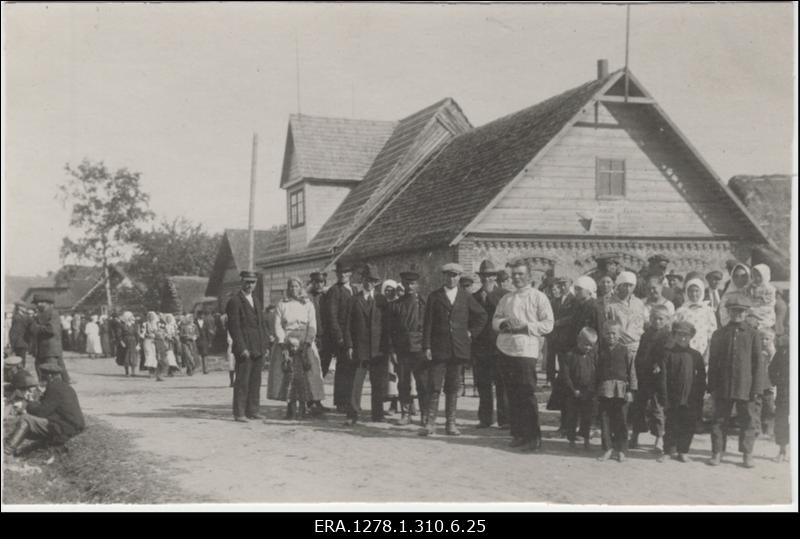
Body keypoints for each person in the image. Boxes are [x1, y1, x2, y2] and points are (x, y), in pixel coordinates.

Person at [421, 262, 488, 437]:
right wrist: (427, 346)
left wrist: (470, 333)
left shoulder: (465, 297)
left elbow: (482, 316)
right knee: (434, 385)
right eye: (449, 275)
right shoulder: (434, 296)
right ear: (444, 277)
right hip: (438, 349)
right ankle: (430, 423)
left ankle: (451, 424)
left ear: (459, 277)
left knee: (452, 387)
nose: (452, 279)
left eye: (455, 275)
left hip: (458, 349)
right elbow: (427, 323)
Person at [492, 259, 552, 450]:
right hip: (505, 348)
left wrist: (526, 326)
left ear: (529, 276)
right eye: (514, 274)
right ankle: (518, 433)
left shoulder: (538, 297)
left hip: (526, 350)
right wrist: (503, 324)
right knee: (512, 393)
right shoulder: (507, 298)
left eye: (520, 274)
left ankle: (533, 437)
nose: (516, 278)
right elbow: (495, 319)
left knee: (526, 393)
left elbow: (548, 324)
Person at [707, 296, 764, 468]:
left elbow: (757, 363)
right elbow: (713, 362)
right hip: (723, 385)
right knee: (719, 419)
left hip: (745, 387)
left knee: (748, 420)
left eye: (741, 311)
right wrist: (712, 386)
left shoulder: (754, 335)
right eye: (734, 310)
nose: (737, 314)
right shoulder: (719, 334)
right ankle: (717, 452)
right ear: (728, 312)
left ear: (746, 313)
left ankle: (747, 454)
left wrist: (756, 388)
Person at [267, 277, 324, 420]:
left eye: (296, 286)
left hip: (305, 343)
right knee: (289, 376)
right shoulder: (282, 304)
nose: (293, 289)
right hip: (287, 343)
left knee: (306, 376)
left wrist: (306, 342)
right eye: (291, 286)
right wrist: (283, 343)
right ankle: (291, 408)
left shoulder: (308, 304)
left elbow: (313, 325)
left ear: (301, 288)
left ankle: (303, 408)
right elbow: (278, 325)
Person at [4, 363, 85, 457]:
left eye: (43, 375)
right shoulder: (63, 386)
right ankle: (10, 447)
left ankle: (6, 451)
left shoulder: (54, 388)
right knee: (25, 423)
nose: (41, 377)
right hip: (69, 425)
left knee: (25, 419)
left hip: (66, 427)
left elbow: (42, 412)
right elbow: (47, 408)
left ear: (50, 376)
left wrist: (28, 404)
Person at [344, 264, 388, 424]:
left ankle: (378, 414)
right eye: (367, 280)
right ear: (362, 280)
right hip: (359, 348)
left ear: (376, 283)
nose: (369, 283)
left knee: (378, 383)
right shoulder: (353, 300)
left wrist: (386, 347)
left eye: (373, 281)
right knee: (356, 383)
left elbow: (387, 325)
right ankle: (352, 414)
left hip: (378, 349)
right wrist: (349, 346)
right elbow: (347, 325)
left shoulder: (382, 300)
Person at [657, 321, 706, 463]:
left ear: (691, 337)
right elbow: (663, 377)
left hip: (690, 398)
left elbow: (701, 378)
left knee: (688, 424)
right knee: (671, 423)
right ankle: (668, 451)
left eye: (686, 335)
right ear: (674, 335)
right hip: (673, 397)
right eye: (679, 335)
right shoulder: (668, 354)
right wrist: (664, 397)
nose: (683, 338)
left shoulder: (695, 356)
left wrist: (698, 397)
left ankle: (683, 451)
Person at [386, 270, 428, 426]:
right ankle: (405, 413)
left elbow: (429, 327)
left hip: (420, 349)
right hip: (402, 349)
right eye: (407, 283)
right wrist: (392, 351)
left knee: (423, 383)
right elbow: (390, 330)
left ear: (417, 285)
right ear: (402, 284)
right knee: (403, 383)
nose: (410, 287)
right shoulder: (396, 305)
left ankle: (425, 414)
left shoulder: (424, 303)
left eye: (412, 284)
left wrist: (428, 347)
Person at [226, 270, 268, 422]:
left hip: (258, 347)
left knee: (255, 381)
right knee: (242, 381)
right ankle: (240, 413)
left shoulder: (256, 300)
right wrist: (242, 347)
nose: (250, 285)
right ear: (241, 282)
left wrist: (265, 346)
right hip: (245, 348)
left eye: (253, 282)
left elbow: (261, 325)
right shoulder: (235, 301)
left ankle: (253, 410)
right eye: (247, 282)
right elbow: (234, 327)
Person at [471, 260, 508, 429]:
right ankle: (485, 418)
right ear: (480, 277)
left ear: (495, 277)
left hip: (501, 347)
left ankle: (505, 419)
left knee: (502, 384)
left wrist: (490, 296)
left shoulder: (505, 295)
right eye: (484, 276)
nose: (487, 279)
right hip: (481, 348)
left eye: (491, 276)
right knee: (483, 384)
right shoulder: (473, 297)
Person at [629, 304, 671, 453]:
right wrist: (638, 366)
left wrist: (659, 365)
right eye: (654, 318)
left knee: (656, 407)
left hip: (658, 377)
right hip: (644, 375)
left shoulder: (667, 336)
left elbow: (666, 356)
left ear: (666, 320)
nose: (657, 321)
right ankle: (635, 434)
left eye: (660, 319)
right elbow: (640, 353)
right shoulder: (646, 334)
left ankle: (659, 437)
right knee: (638, 406)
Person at [596, 320, 637, 462]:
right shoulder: (600, 351)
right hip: (604, 390)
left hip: (621, 390)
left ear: (619, 334)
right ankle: (607, 448)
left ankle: (622, 449)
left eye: (614, 333)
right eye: (608, 333)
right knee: (605, 419)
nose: (611, 336)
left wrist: (631, 390)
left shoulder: (626, 350)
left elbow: (632, 371)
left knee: (621, 420)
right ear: (603, 334)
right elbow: (596, 372)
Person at [561, 327, 598, 450]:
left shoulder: (592, 356)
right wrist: (573, 389)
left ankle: (586, 439)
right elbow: (565, 376)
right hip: (573, 392)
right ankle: (571, 440)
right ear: (578, 341)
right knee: (572, 416)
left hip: (588, 391)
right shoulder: (570, 355)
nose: (588, 348)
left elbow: (595, 374)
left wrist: (592, 389)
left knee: (587, 417)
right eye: (585, 344)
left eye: (590, 345)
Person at [326, 261, 355, 412]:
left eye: (345, 273)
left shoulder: (355, 289)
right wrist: (339, 336)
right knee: (343, 368)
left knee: (353, 369)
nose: (342, 275)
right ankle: (341, 402)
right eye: (339, 273)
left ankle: (351, 400)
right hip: (342, 336)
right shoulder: (334, 291)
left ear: (350, 274)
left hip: (354, 335)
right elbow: (332, 316)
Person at [604, 271, 646, 362]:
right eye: (625, 285)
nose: (627, 289)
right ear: (619, 286)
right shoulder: (610, 304)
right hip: (619, 347)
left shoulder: (639, 303)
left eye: (630, 285)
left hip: (637, 347)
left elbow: (642, 323)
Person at [28, 293, 70, 383]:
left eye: (40, 302)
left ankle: (55, 388)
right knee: (41, 368)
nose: (37, 305)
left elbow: (51, 329)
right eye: (36, 303)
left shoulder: (53, 313)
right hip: (43, 348)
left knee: (51, 371)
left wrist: (36, 328)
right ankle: (60, 384)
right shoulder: (40, 314)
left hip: (50, 348)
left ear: (47, 303)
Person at [674, 277, 717, 363]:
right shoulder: (681, 311)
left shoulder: (708, 310)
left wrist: (707, 353)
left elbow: (712, 334)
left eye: (697, 291)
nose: (694, 294)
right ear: (686, 292)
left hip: (703, 350)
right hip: (684, 350)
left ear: (702, 292)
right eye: (691, 291)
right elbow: (674, 332)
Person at [768, 332, 790, 463]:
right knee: (782, 420)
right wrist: (778, 382)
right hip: (785, 391)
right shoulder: (783, 351)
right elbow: (772, 368)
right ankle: (782, 451)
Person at [381, 279, 401, 416]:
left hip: (397, 345)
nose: (389, 292)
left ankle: (404, 404)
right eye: (386, 290)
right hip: (384, 344)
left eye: (391, 290)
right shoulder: (381, 305)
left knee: (399, 375)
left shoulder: (398, 305)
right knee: (389, 377)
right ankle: (391, 403)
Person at [719, 263, 750, 327]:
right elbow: (724, 317)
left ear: (748, 276)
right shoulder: (727, 296)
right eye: (736, 276)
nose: (739, 279)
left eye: (743, 276)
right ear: (732, 278)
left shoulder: (753, 294)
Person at [746, 264, 776, 330]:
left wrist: (759, 297)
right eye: (754, 276)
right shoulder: (751, 286)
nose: (756, 278)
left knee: (764, 320)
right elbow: (747, 297)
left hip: (765, 309)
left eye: (759, 276)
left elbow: (768, 303)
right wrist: (750, 291)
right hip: (753, 308)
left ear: (764, 276)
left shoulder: (769, 288)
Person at [115, 311, 139, 377]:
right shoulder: (122, 325)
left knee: (133, 357)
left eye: (132, 317)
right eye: (130, 317)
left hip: (133, 342)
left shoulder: (134, 325)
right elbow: (119, 335)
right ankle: (127, 372)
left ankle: (133, 372)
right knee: (126, 357)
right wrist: (121, 342)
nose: (132, 318)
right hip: (125, 342)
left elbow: (137, 334)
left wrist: (138, 343)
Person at [9, 302, 31, 366]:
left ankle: (20, 373)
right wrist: (13, 344)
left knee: (21, 360)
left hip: (22, 341)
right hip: (19, 342)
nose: (25, 308)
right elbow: (15, 331)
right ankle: (20, 374)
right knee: (20, 361)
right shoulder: (17, 317)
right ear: (20, 308)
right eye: (24, 307)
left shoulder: (22, 316)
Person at [196, 310, 216, 375]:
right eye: (200, 315)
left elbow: (208, 332)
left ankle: (205, 369)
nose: (201, 316)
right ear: (198, 315)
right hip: (196, 340)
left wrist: (210, 342)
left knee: (205, 354)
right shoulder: (194, 322)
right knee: (195, 354)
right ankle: (194, 368)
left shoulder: (206, 322)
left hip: (204, 340)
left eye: (202, 315)